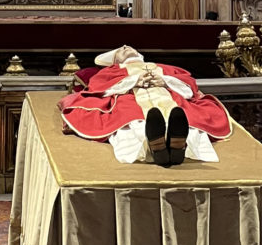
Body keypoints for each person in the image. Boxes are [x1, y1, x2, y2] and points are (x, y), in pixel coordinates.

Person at [60, 45, 229, 166]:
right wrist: (134, 81)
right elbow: (99, 87)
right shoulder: (111, 71)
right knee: (132, 116)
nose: (126, 47)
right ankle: (155, 148)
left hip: (166, 93)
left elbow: (189, 85)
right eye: (121, 50)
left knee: (179, 112)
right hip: (131, 96)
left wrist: (165, 81)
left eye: (129, 48)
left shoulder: (162, 67)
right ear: (115, 61)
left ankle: (177, 145)